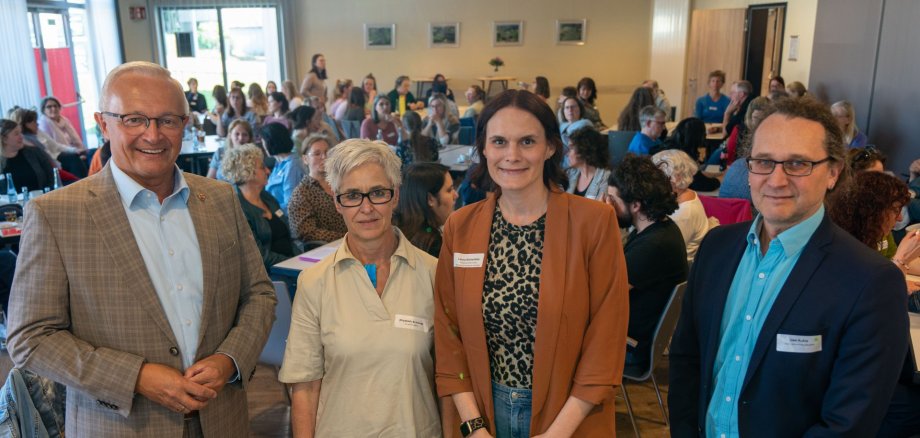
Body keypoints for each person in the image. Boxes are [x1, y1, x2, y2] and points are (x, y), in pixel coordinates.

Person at [6, 61, 276, 437]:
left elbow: (259, 295)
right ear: (103, 124)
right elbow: (31, 337)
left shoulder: (219, 199)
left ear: (185, 124)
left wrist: (230, 359)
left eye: (167, 120)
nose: (153, 135)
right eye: (134, 119)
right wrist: (136, 377)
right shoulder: (56, 215)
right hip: (120, 426)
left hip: (222, 419)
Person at [669, 97, 908, 436]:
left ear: (833, 172)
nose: (776, 180)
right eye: (764, 162)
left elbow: (848, 422)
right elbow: (686, 360)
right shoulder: (716, 248)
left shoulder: (870, 281)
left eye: (797, 163)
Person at [435, 89, 629, 437]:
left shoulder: (594, 223)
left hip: (568, 415)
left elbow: (606, 338)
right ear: (483, 148)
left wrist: (558, 432)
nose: (512, 155)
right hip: (484, 412)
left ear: (550, 147)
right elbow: (448, 335)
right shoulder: (460, 227)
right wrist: (474, 426)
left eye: (527, 141)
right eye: (499, 142)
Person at [279, 139, 446, 436]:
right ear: (337, 202)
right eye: (353, 195)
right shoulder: (314, 282)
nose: (366, 208)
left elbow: (450, 379)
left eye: (378, 193)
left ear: (395, 196)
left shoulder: (434, 274)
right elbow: (305, 386)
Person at [605, 154, 687, 374]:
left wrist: (604, 225)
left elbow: (603, 295)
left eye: (612, 200)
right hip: (632, 336)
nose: (608, 205)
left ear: (635, 205)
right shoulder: (660, 228)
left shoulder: (653, 246)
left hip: (629, 347)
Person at [222, 143, 296, 270]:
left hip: (291, 264)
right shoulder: (238, 208)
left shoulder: (268, 198)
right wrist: (293, 264)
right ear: (247, 172)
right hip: (270, 273)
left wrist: (301, 258)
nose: (268, 171)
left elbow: (289, 238)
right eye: (262, 167)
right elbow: (259, 256)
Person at [652, 149, 710, 262]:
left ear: (675, 178)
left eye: (658, 179)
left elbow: (667, 250)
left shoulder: (684, 212)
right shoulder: (686, 193)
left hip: (683, 266)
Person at [287, 134, 347, 243]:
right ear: (305, 159)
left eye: (327, 153)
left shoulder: (343, 182)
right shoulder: (301, 194)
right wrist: (346, 237)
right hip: (331, 247)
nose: (324, 157)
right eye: (317, 153)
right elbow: (306, 232)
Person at [395, 162, 457, 257]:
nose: (456, 195)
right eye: (449, 190)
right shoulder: (431, 244)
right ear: (430, 199)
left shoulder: (396, 229)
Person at [10, 107, 87, 177]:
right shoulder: (26, 141)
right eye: (34, 122)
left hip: (55, 160)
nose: (37, 124)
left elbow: (55, 145)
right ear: (26, 124)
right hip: (52, 166)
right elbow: (47, 160)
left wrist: (75, 150)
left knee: (80, 156)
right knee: (74, 160)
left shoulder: (38, 132)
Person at [1, 119, 56, 191]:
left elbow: (52, 177)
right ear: (4, 139)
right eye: (16, 134)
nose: (21, 136)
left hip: (43, 196)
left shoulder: (34, 152)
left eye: (21, 132)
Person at [262, 123, 303, 212]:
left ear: (271, 142)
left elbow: (291, 206)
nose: (263, 145)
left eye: (263, 141)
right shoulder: (279, 163)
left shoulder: (292, 165)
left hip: (284, 217)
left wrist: (269, 210)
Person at [565, 127, 610, 200]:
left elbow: (599, 206)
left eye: (571, 148)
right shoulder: (569, 174)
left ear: (583, 149)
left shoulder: (605, 178)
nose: (567, 154)